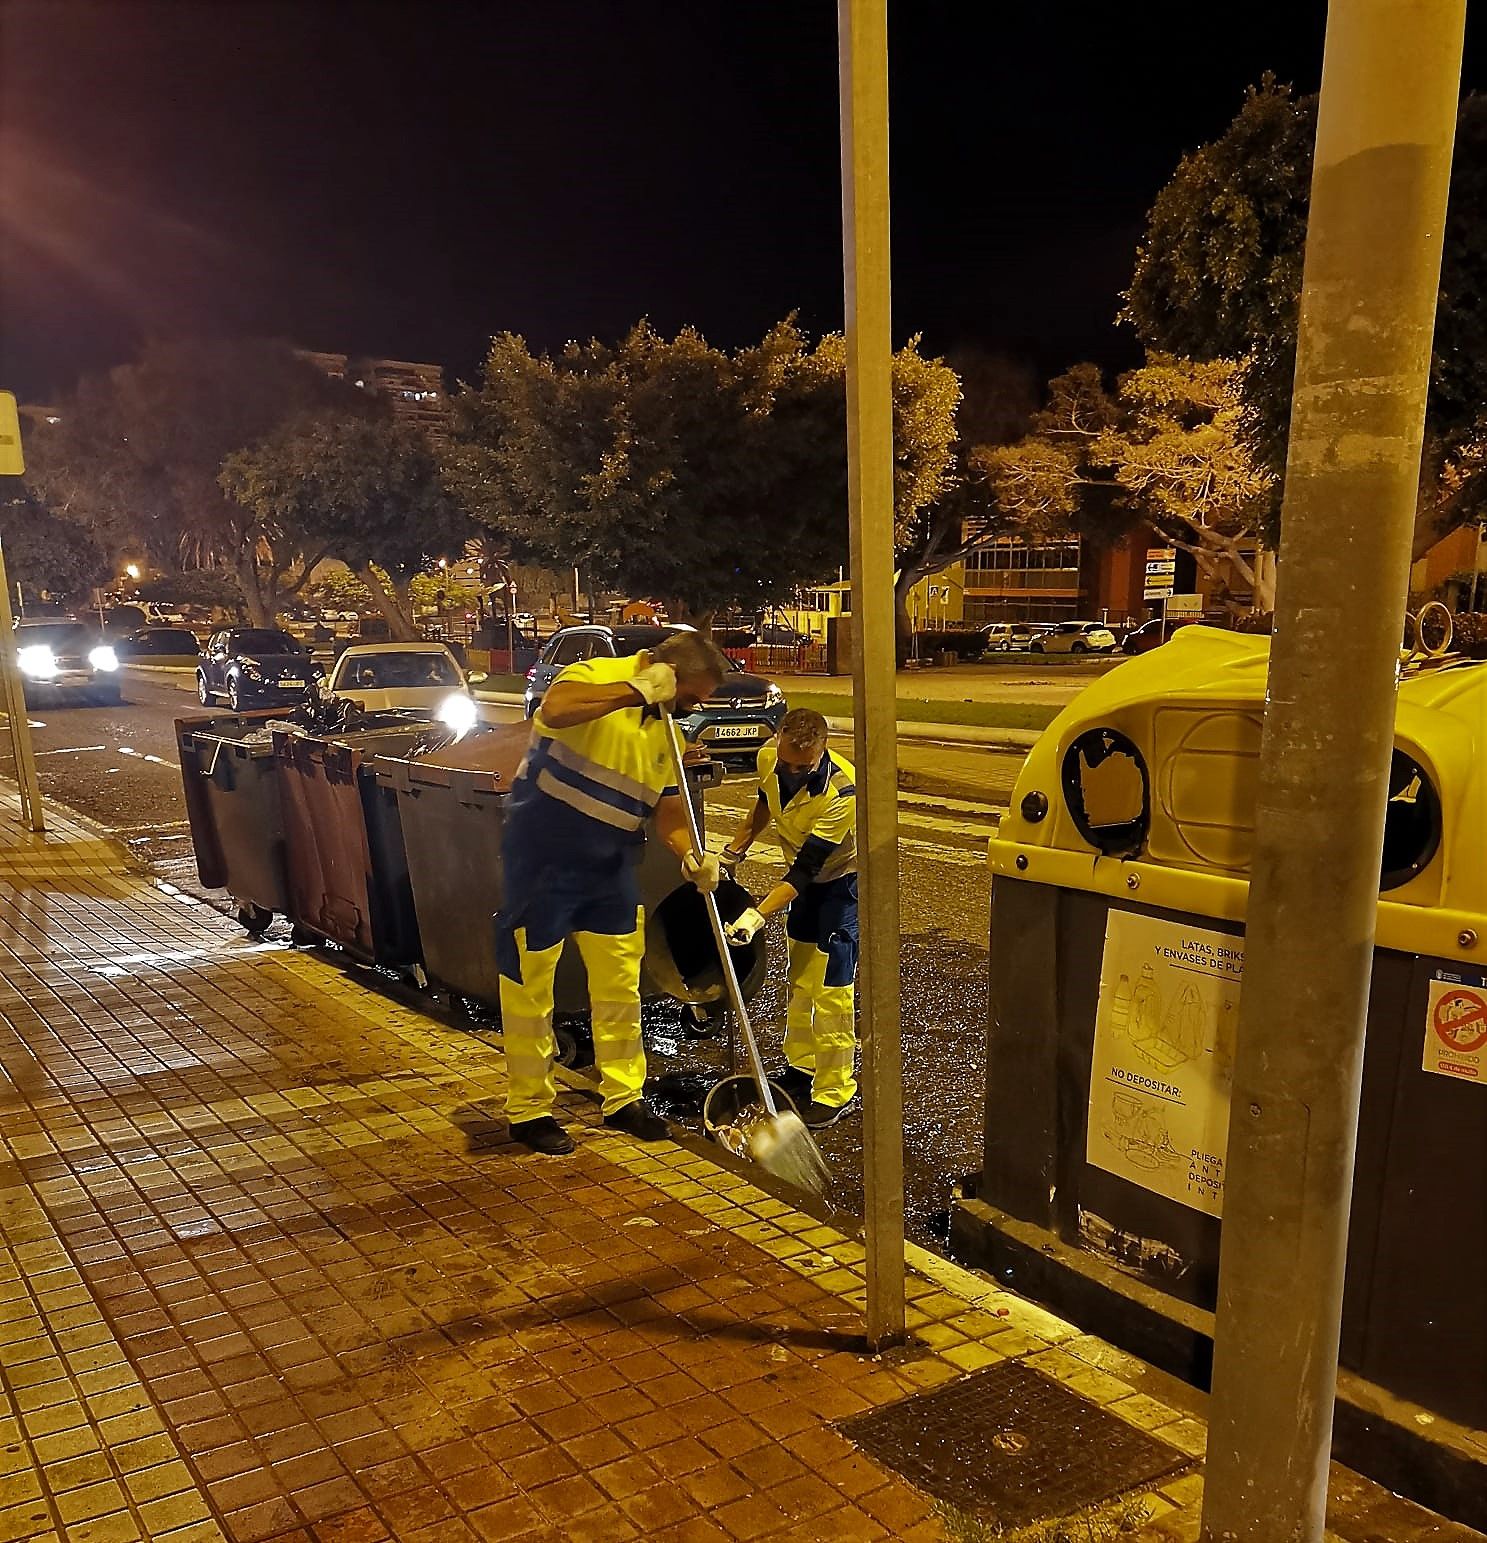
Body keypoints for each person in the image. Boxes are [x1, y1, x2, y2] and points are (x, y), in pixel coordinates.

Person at [496, 630, 730, 1155]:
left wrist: (689, 853)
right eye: (692, 694)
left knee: (621, 984)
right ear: (663, 670)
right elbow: (554, 710)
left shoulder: (668, 731)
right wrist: (636, 689)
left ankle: (624, 1097)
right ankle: (529, 1108)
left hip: (611, 865)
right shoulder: (594, 676)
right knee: (531, 984)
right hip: (543, 856)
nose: (695, 707)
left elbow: (667, 808)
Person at [720, 708, 858, 1128]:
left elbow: (805, 871)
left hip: (837, 885)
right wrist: (735, 850)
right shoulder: (769, 758)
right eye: (787, 764)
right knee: (800, 981)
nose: (793, 772)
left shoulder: (842, 792)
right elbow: (765, 801)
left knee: (832, 991)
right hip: (803, 889)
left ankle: (835, 1089)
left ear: (823, 749)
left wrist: (756, 915)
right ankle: (802, 1068)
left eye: (803, 767)